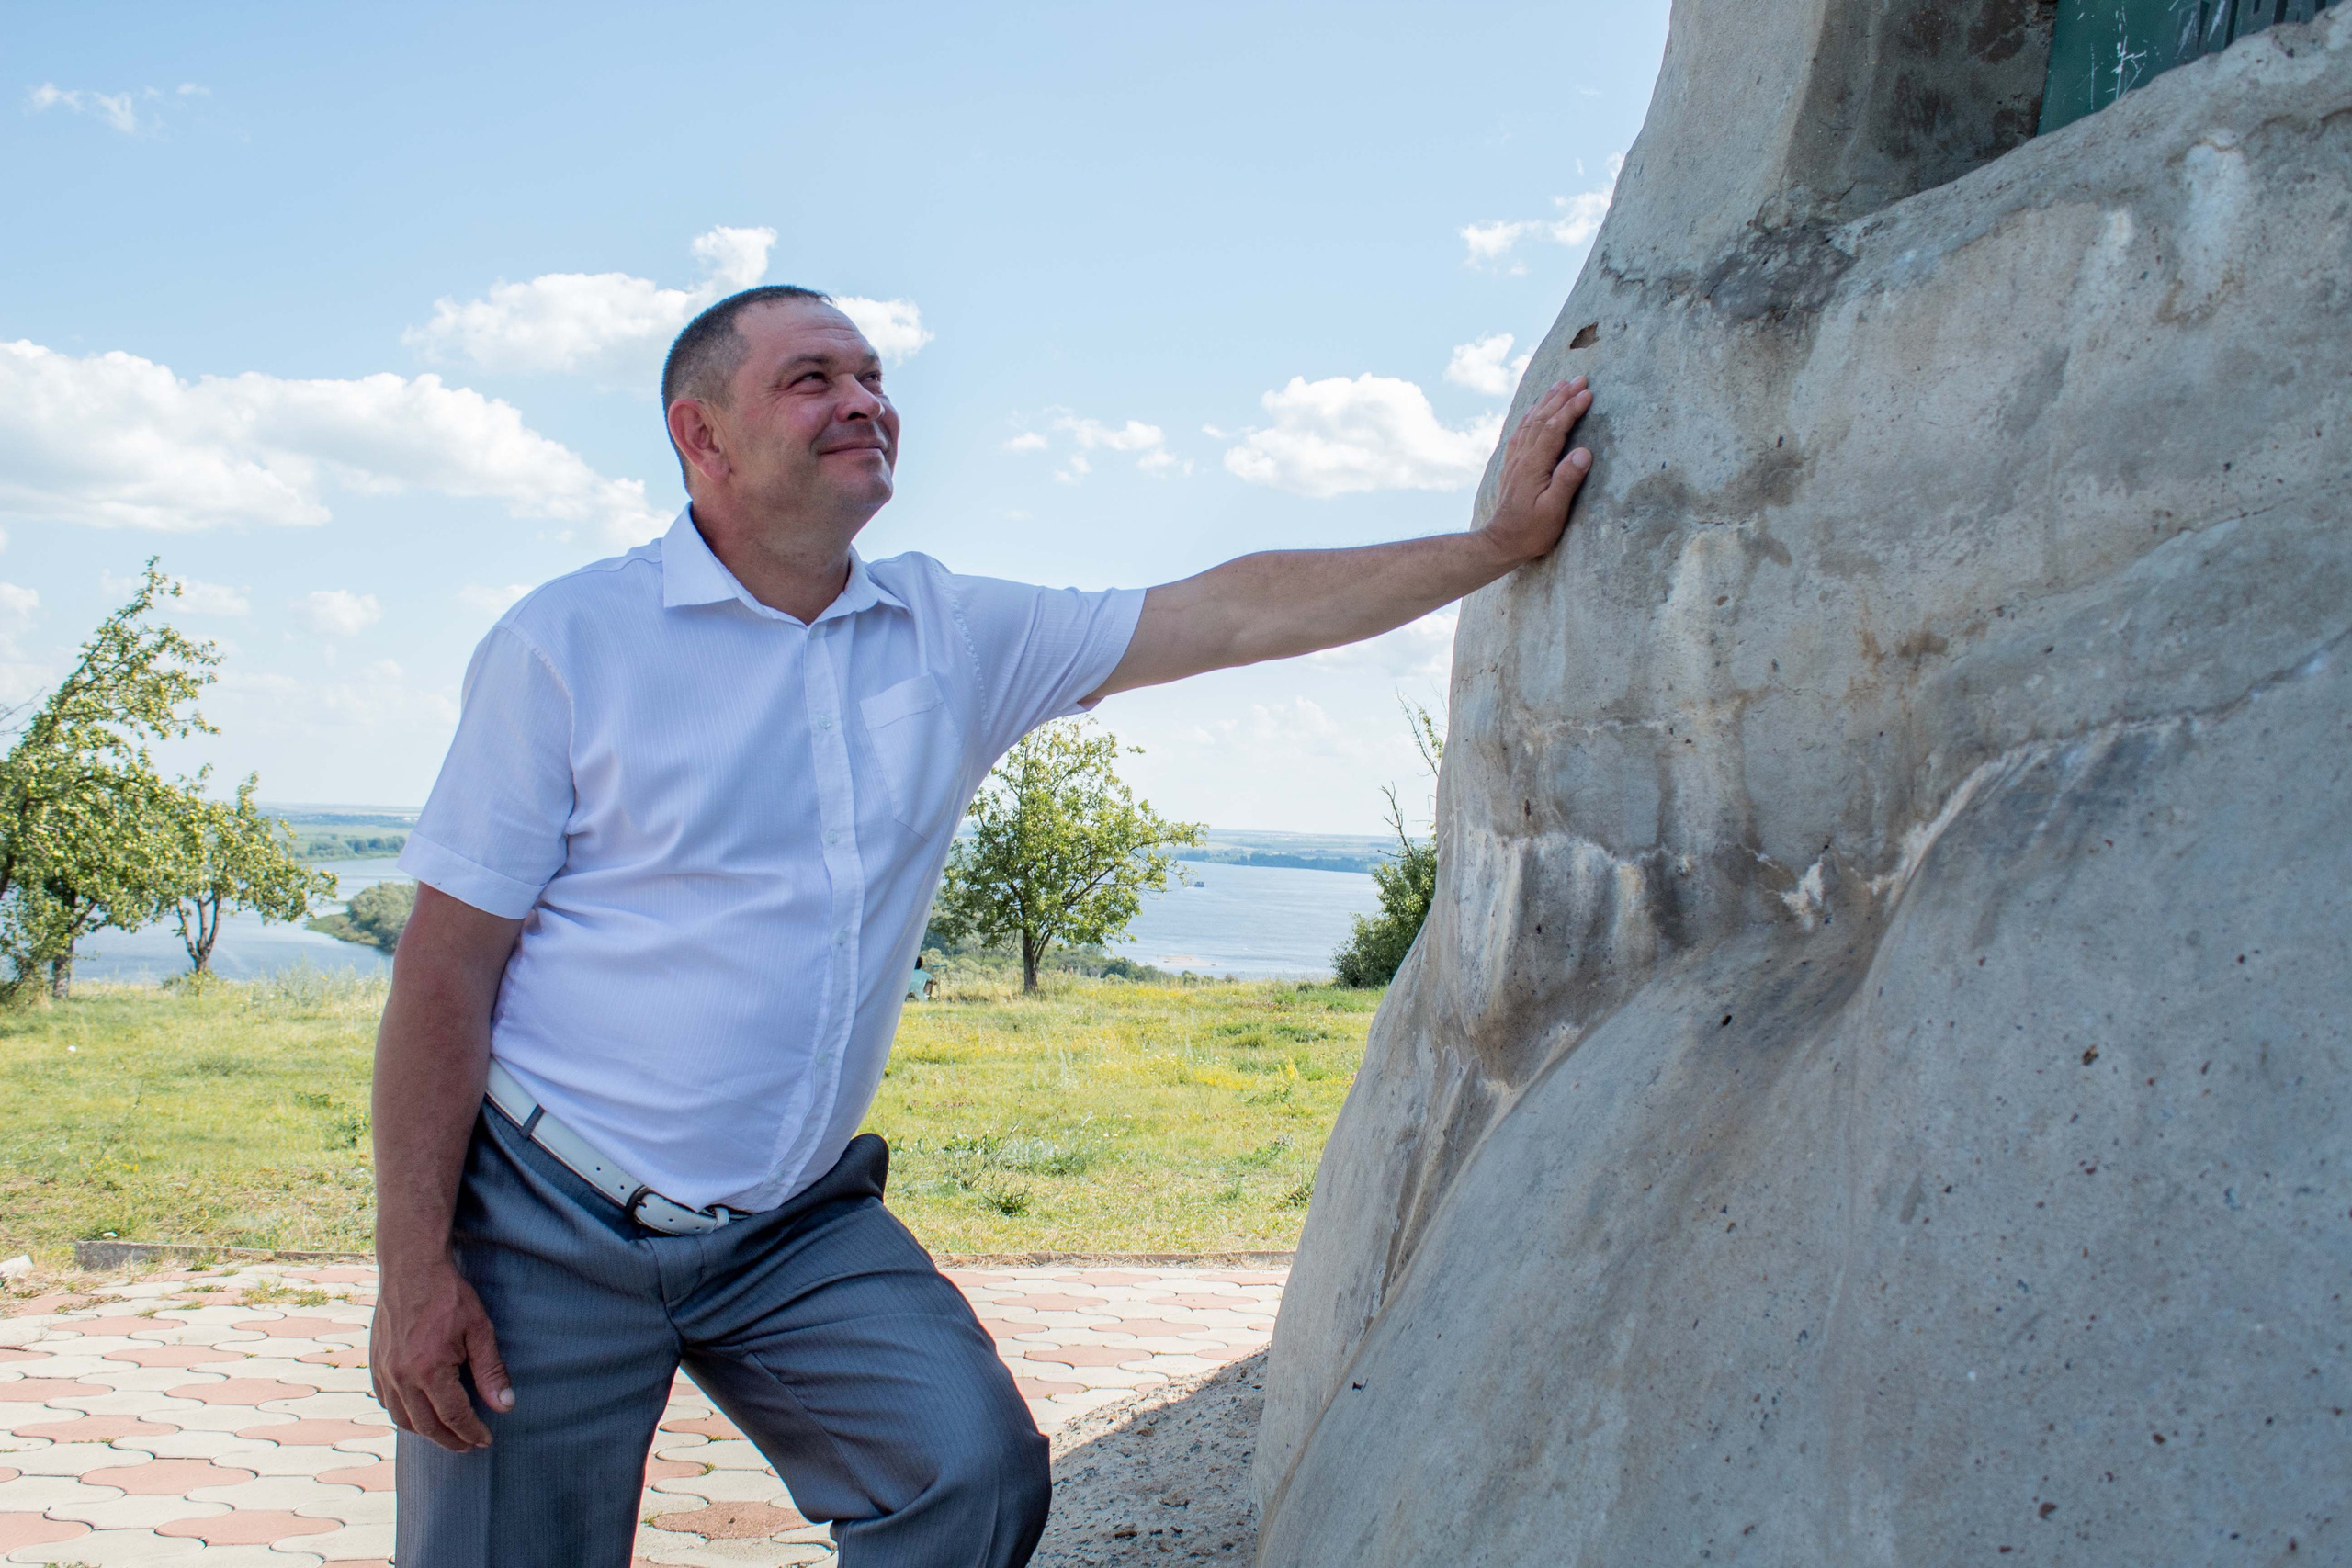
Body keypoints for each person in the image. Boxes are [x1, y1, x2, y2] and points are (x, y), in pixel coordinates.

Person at [369, 283, 1594, 1567]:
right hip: (545, 1217)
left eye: (872, 374)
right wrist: (414, 1271)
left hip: (790, 1224)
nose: (863, 400)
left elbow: (1231, 608)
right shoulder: (570, 643)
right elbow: (446, 970)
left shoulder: (949, 633)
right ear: (702, 434)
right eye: (811, 378)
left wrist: (1497, 546)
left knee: (968, 1470)